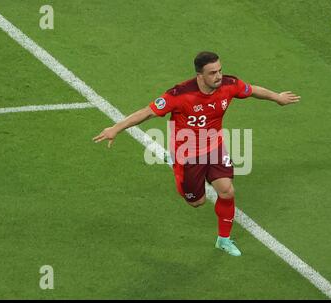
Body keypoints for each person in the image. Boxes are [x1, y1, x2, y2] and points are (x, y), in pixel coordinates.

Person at [93, 51, 300, 256]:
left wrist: (277, 97)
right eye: (212, 73)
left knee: (227, 191)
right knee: (197, 202)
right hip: (187, 154)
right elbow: (146, 112)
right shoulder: (179, 94)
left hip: (215, 146)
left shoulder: (229, 84)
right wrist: (116, 128)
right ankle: (175, 164)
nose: (218, 76)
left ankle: (223, 240)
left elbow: (252, 89)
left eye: (219, 70)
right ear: (200, 75)